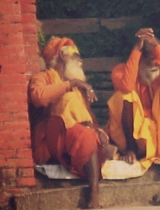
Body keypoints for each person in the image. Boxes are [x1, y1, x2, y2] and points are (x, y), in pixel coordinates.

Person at [29, 36, 117, 208]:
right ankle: (100, 147)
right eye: (76, 56)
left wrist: (100, 133)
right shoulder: (42, 78)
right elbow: (38, 97)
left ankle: (94, 194)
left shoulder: (77, 90)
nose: (81, 61)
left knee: (88, 135)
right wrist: (71, 84)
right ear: (62, 56)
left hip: (75, 137)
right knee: (68, 99)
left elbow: (90, 120)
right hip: (51, 140)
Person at [106, 28, 160, 169]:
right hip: (130, 138)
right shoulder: (120, 70)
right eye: (148, 58)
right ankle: (131, 148)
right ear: (138, 57)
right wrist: (137, 49)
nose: (154, 63)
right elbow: (127, 86)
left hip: (157, 135)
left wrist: (157, 47)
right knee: (125, 94)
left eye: (155, 58)